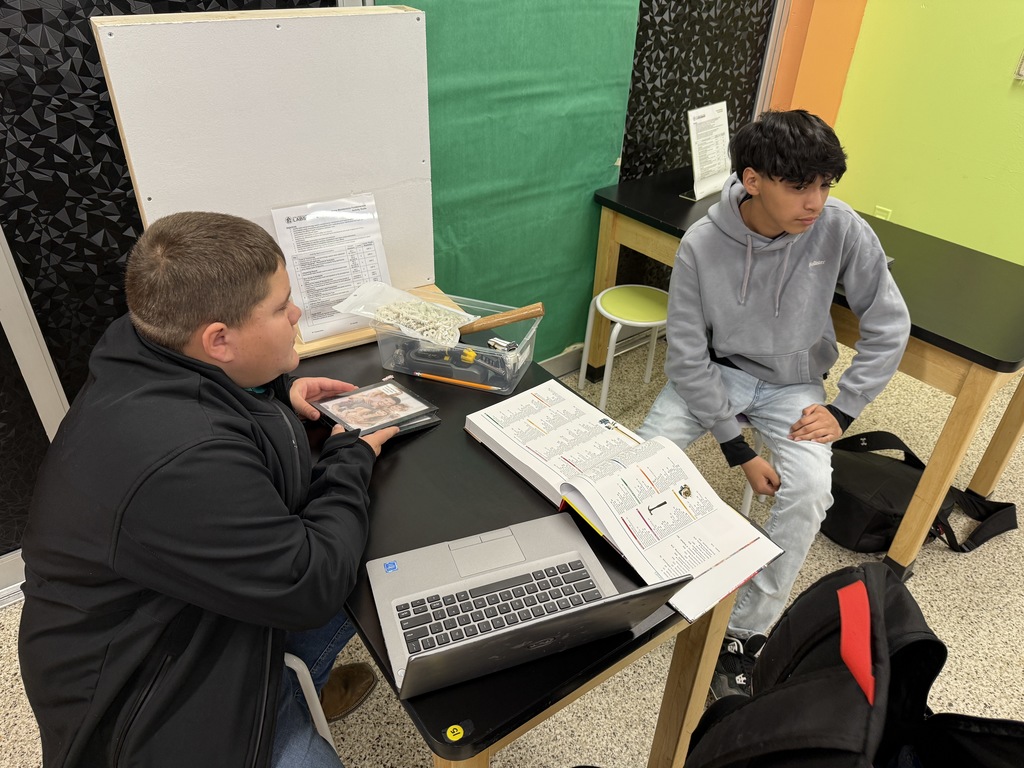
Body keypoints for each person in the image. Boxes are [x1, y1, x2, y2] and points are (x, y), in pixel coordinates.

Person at [18, 211, 398, 767]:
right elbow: (309, 584)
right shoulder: (183, 459)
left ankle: (299, 686)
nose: (297, 314)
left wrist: (275, 397)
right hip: (148, 698)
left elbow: (213, 399)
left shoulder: (146, 343)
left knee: (378, 556)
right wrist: (350, 455)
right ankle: (284, 703)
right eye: (281, 307)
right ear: (219, 339)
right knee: (355, 559)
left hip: (187, 610)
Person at [637, 110, 910, 699]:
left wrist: (844, 409)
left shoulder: (841, 227)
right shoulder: (702, 244)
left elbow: (890, 323)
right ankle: (631, 592)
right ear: (753, 180)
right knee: (636, 468)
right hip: (715, 374)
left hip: (795, 384)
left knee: (810, 492)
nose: (816, 201)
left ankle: (743, 634)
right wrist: (736, 447)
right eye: (800, 186)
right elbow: (686, 357)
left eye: (826, 185)